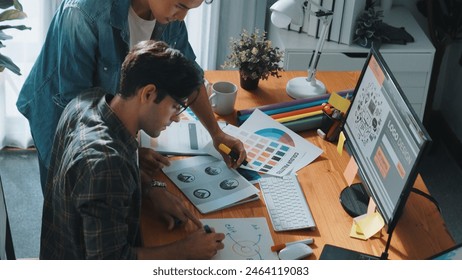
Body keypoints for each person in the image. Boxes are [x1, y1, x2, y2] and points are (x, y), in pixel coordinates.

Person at [16, 0, 246, 193]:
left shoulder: (168, 16)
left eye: (189, 9)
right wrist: (131, 154)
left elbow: (190, 76)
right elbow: (78, 109)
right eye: (180, 5)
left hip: (110, 119)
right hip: (59, 115)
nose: (182, 16)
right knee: (65, 202)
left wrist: (217, 134)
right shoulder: (83, 13)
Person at [40, 40, 225, 259]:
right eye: (176, 107)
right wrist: (185, 250)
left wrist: (150, 188)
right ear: (148, 93)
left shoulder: (85, 102)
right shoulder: (107, 165)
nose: (176, 118)